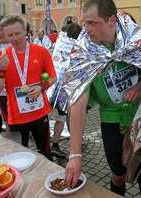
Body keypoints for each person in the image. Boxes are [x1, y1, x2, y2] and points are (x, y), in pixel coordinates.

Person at [64, 0, 141, 197]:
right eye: (84, 22)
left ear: (111, 20)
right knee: (118, 173)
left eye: (92, 23)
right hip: (111, 117)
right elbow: (77, 103)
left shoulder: (134, 40)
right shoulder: (83, 51)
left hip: (139, 113)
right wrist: (75, 154)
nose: (85, 30)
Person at [0, 13, 57, 160]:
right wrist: (1, 71)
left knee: (45, 153)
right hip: (16, 117)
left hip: (40, 114)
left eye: (18, 33)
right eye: (9, 35)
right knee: (19, 157)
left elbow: (53, 77)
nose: (14, 38)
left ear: (26, 30)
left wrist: (41, 87)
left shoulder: (41, 51)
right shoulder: (1, 57)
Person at [51, 23, 82, 159]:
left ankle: (55, 144)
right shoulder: (79, 48)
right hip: (69, 90)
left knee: (62, 117)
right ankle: (75, 147)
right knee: (73, 117)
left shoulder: (59, 44)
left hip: (56, 88)